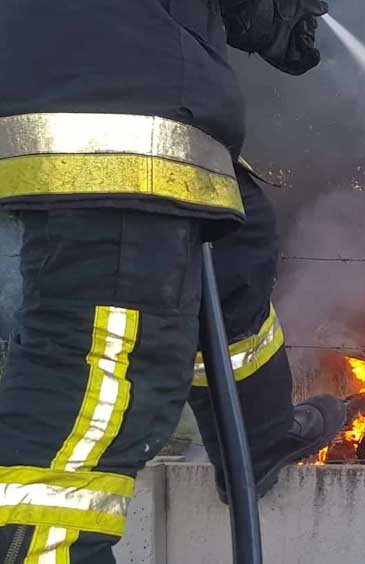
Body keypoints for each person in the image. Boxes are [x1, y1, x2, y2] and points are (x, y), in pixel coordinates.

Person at [0, 0, 345, 561]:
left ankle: (257, 439)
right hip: (109, 120)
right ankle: (39, 541)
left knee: (239, 241)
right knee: (97, 388)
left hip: (119, 81)